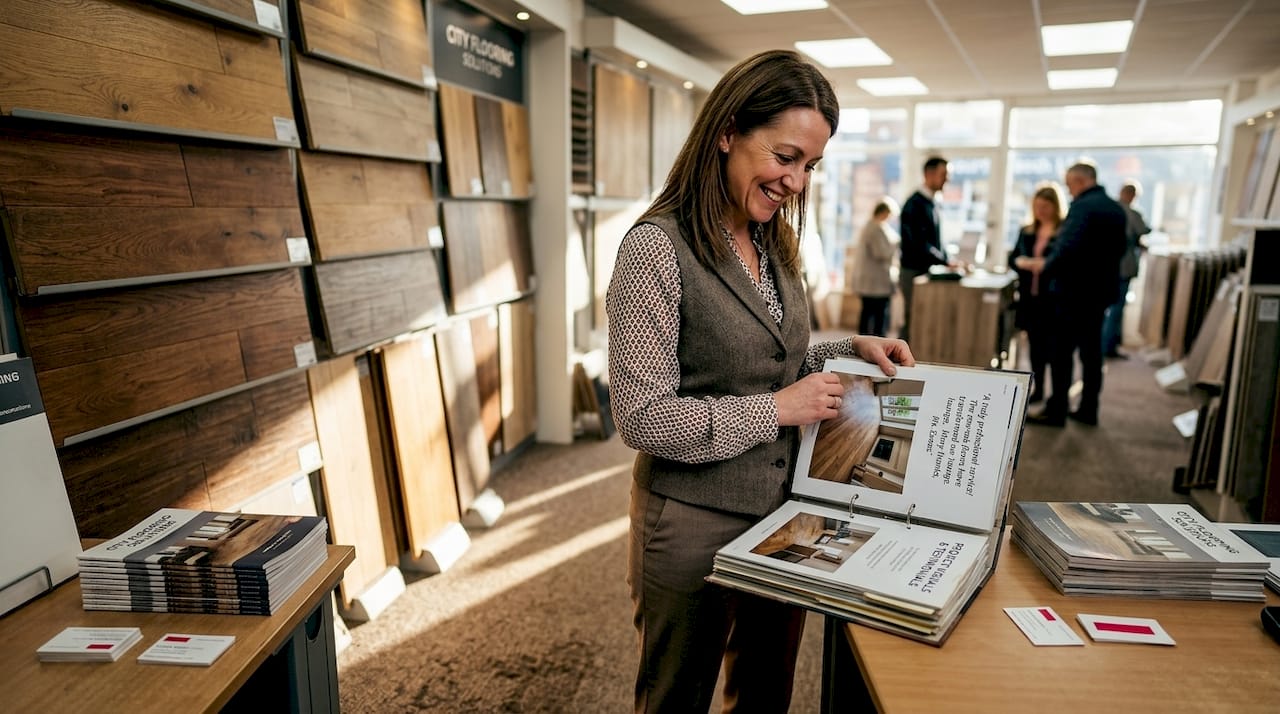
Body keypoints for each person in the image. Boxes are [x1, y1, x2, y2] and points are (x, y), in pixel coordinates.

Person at [605, 49, 914, 713]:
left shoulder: (772, 241)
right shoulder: (654, 250)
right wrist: (778, 410)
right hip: (691, 520)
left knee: (766, 693)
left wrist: (846, 347)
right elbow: (642, 417)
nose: (796, 181)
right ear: (726, 133)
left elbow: (776, 356)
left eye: (809, 165)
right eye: (785, 157)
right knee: (677, 697)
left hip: (784, 510)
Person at [1025, 161, 1128, 427]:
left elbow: (1066, 248)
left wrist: (1045, 266)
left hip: (1072, 294)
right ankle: (1088, 408)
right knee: (1092, 353)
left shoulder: (1082, 207)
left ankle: (1057, 408)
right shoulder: (1116, 209)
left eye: (1070, 184)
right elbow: (1120, 251)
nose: (1069, 191)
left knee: (1061, 353)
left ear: (1080, 181)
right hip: (1100, 293)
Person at [1009, 183, 1066, 403]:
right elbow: (1012, 258)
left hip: (1052, 299)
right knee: (1035, 348)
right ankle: (1039, 389)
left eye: (1045, 206)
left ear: (1055, 206)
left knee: (1055, 349)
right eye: (1037, 206)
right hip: (1030, 298)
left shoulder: (1064, 232)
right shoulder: (1027, 231)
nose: (1041, 211)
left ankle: (1057, 395)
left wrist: (1044, 264)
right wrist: (1022, 263)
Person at [898, 156, 957, 342]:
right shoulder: (914, 204)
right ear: (929, 174)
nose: (947, 179)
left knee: (923, 320)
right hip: (913, 271)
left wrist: (949, 260)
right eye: (944, 174)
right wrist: (945, 261)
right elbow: (918, 243)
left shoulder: (933, 202)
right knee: (913, 318)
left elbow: (936, 241)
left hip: (925, 270)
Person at [1102, 180, 1153, 358]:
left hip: (1107, 265)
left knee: (1108, 307)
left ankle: (1108, 344)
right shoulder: (1129, 213)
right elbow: (1143, 229)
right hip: (1122, 266)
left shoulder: (1109, 209)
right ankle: (1108, 346)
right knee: (1116, 308)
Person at [851, 199, 900, 337]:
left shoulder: (875, 226)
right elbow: (881, 252)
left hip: (874, 281)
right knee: (876, 315)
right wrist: (896, 245)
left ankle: (866, 341)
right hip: (875, 282)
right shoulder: (874, 228)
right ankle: (871, 343)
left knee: (869, 313)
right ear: (884, 212)